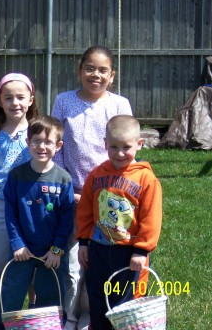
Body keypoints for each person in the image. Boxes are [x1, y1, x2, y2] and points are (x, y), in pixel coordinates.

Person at [51, 45, 133, 330]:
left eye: (102, 70)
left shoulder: (120, 104)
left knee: (103, 262)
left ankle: (97, 314)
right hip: (72, 195)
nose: (95, 75)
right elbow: (57, 147)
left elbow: (127, 145)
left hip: (110, 198)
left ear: (112, 76)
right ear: (79, 70)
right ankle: (70, 316)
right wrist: (65, 187)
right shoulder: (63, 101)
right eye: (89, 68)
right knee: (73, 263)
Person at [0, 115, 75, 330]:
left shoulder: (64, 179)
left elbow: (66, 220)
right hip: (22, 251)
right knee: (10, 294)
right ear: (28, 143)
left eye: (48, 142)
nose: (41, 146)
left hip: (51, 254)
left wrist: (56, 250)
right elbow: (11, 215)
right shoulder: (17, 176)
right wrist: (17, 244)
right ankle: (0, 327)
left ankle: (45, 327)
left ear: (59, 146)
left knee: (51, 297)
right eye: (36, 141)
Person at [76, 115, 163, 329]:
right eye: (113, 147)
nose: (120, 153)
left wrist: (141, 251)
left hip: (128, 252)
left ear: (139, 144)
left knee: (125, 302)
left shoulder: (146, 179)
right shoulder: (97, 175)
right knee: (98, 297)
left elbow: (151, 217)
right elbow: (86, 210)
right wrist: (84, 242)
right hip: (98, 249)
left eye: (126, 147)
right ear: (105, 144)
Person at [0, 73, 38, 328]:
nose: (15, 102)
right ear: (0, 101)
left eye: (21, 97)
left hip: (30, 203)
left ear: (31, 100)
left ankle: (34, 307)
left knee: (32, 254)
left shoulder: (36, 132)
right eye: (8, 97)